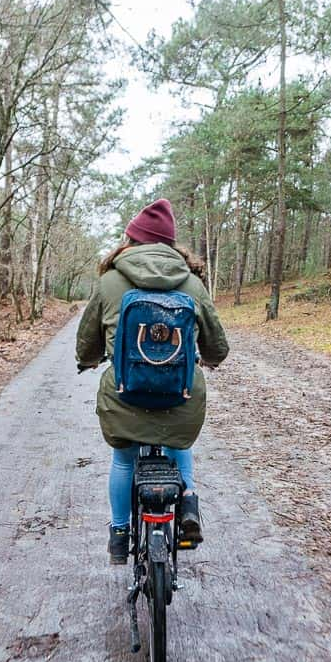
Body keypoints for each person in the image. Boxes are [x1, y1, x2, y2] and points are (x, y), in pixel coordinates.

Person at [76, 198, 229, 564]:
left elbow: (88, 338)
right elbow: (217, 346)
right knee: (179, 444)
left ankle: (118, 534)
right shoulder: (192, 284)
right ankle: (188, 502)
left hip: (125, 398)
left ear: (131, 239)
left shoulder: (110, 280)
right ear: (171, 244)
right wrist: (210, 358)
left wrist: (87, 360)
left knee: (124, 460)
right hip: (181, 397)